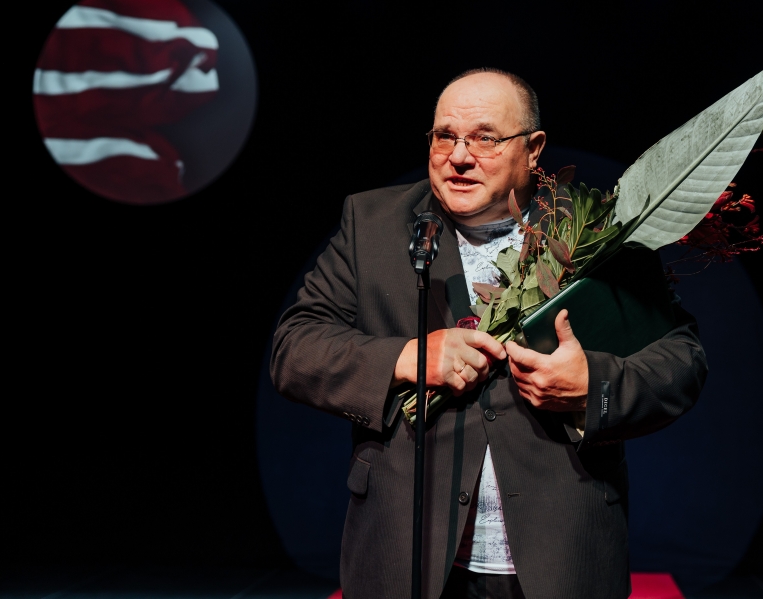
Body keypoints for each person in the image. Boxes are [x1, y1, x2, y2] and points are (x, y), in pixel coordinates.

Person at [271, 69, 707, 599]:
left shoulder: (597, 230)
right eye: (445, 136)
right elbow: (295, 347)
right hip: (408, 553)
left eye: (484, 138)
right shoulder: (372, 223)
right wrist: (408, 357)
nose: (459, 156)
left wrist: (592, 387)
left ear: (533, 149)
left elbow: (682, 360)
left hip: (561, 555)